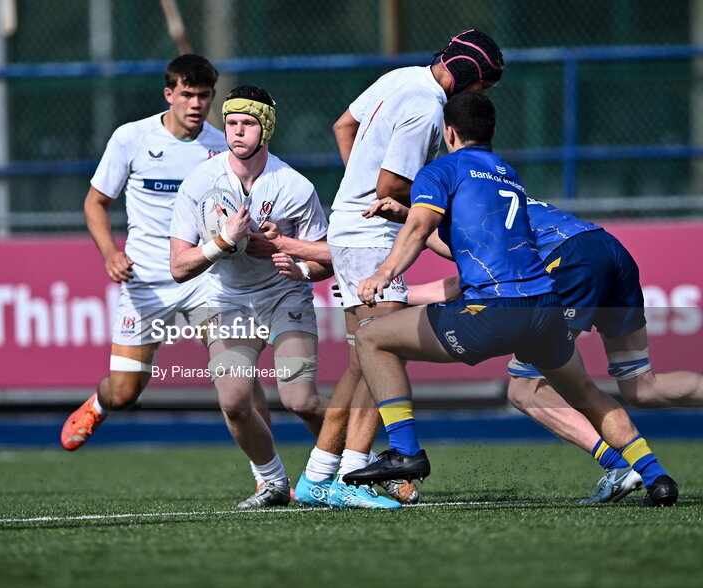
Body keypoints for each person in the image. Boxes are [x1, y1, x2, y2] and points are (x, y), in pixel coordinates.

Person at [342, 92, 678, 508]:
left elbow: (417, 232)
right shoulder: (507, 174)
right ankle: (656, 476)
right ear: (494, 132)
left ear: (448, 132)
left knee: (374, 336)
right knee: (588, 393)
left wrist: (384, 272)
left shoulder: (439, 170)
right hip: (544, 309)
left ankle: (405, 452)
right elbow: (484, 245)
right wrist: (411, 217)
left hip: (494, 313)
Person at [293, 30, 505, 509]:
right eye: (485, 89)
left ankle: (319, 477)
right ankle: (350, 478)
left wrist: (358, 188)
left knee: (363, 357)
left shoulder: (401, 77)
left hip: (353, 226)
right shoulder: (428, 107)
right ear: (471, 78)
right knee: (381, 351)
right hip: (370, 237)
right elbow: (391, 184)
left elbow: (342, 125)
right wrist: (439, 200)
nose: (482, 98)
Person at [59, 55, 276, 488]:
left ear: (213, 96)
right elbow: (95, 203)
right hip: (147, 283)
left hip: (206, 278)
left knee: (238, 377)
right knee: (124, 393)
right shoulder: (131, 138)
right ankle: (98, 406)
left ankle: (268, 477)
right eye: (187, 94)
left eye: (204, 95)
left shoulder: (222, 146)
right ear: (169, 94)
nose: (196, 103)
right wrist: (109, 253)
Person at [169, 85, 331, 508]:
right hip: (227, 302)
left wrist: (295, 261)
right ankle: (273, 483)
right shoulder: (200, 182)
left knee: (301, 399)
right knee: (235, 403)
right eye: (231, 124)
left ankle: (360, 461)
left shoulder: (295, 186)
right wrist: (224, 241)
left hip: (283, 298)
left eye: (248, 124)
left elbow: (326, 259)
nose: (237, 132)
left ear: (267, 128)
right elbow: (179, 266)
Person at [500, 199, 703, 502]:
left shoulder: (452, 201)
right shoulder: (497, 181)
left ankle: (621, 466)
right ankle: (641, 469)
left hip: (571, 259)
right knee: (642, 387)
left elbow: (459, 273)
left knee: (524, 387)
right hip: (609, 248)